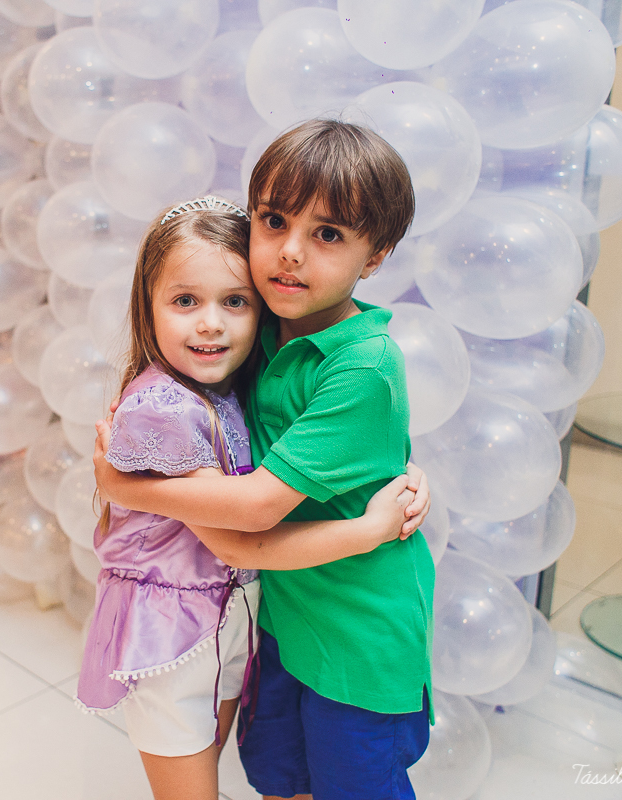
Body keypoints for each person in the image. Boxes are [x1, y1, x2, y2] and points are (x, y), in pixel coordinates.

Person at [94, 120, 435, 800]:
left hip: (356, 636)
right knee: (280, 779)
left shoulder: (364, 364)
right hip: (278, 619)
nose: (289, 253)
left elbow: (254, 508)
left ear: (376, 256)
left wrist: (125, 484)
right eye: (274, 221)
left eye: (328, 234)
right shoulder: (263, 330)